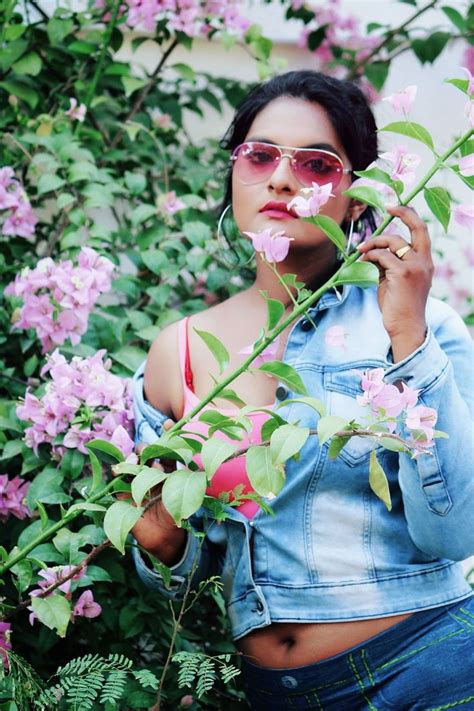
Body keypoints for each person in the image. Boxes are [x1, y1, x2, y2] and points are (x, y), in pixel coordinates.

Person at [131, 71, 474, 709]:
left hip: (432, 669)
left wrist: (409, 337)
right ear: (235, 174)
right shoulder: (177, 351)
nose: (282, 179)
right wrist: (163, 543)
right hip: (275, 694)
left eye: (316, 164)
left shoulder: (417, 325)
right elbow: (181, 585)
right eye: (259, 156)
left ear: (357, 194)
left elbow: (455, 532)